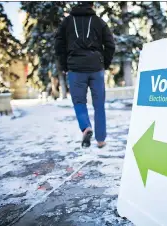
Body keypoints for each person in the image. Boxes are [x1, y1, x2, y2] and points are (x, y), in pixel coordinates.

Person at [55, 1, 115, 148]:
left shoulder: (67, 22)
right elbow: (110, 45)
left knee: (79, 102)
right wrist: (104, 63)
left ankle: (86, 127)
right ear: (92, 5)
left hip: (75, 69)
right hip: (96, 68)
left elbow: (58, 45)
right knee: (99, 104)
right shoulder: (99, 22)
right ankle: (101, 139)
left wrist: (65, 65)